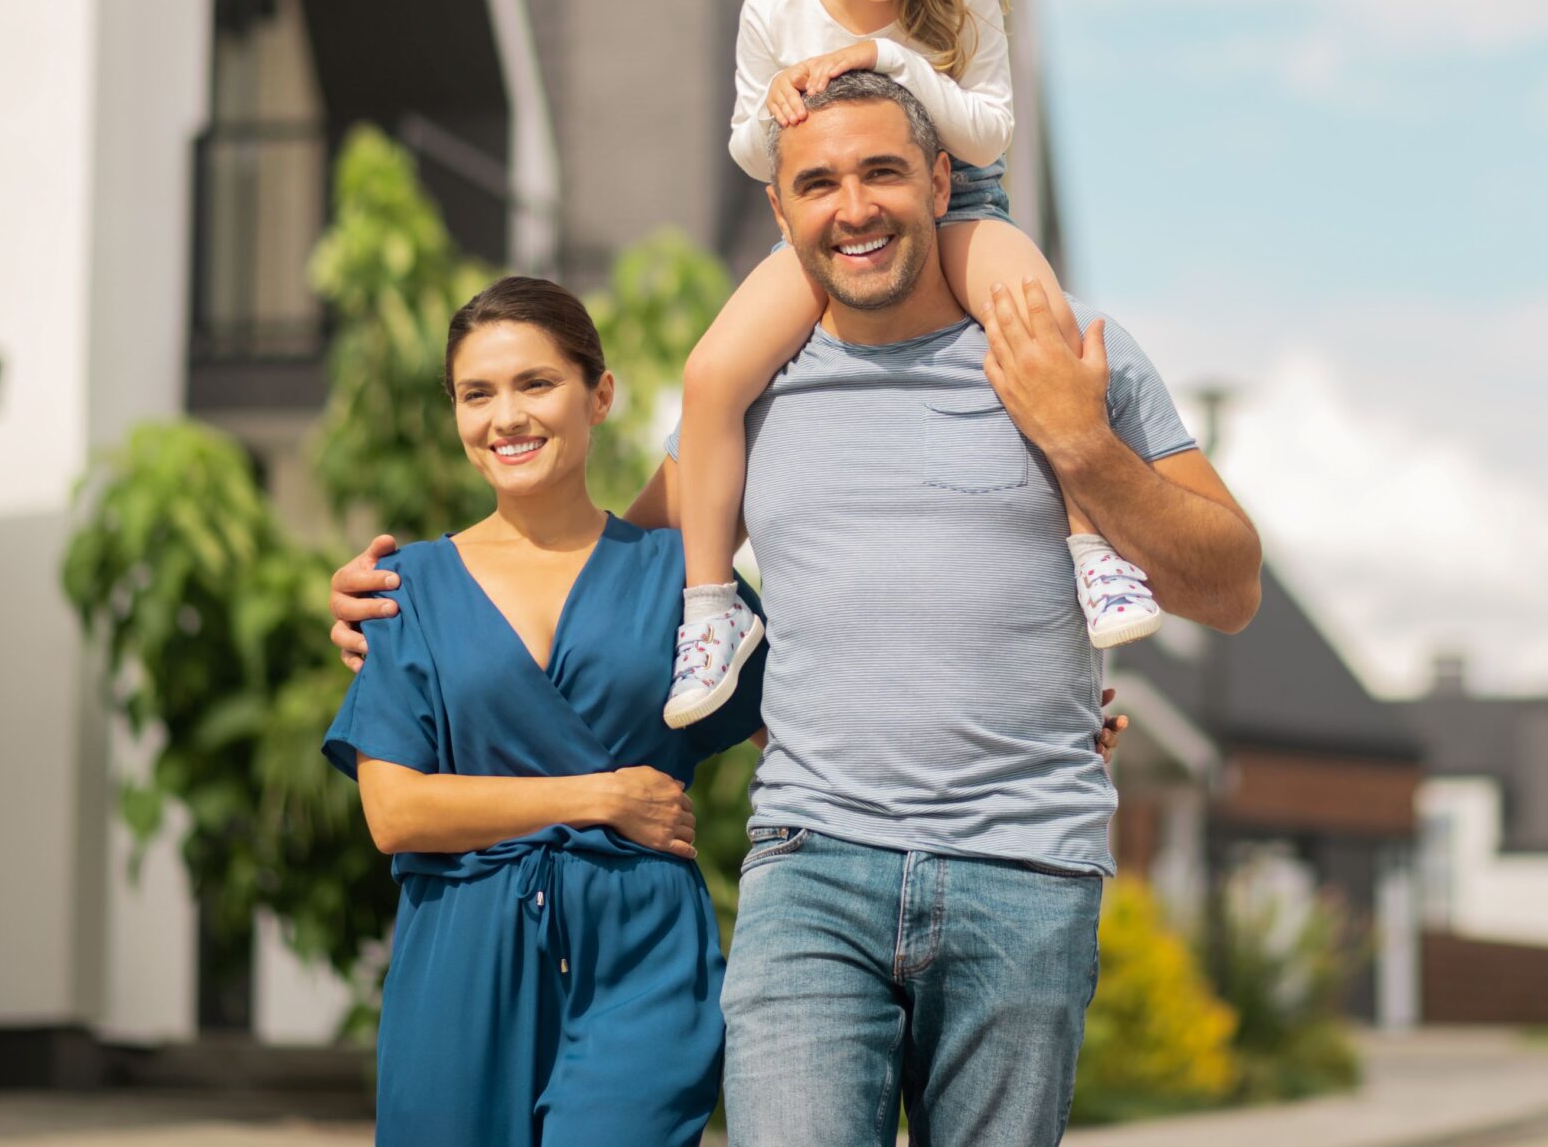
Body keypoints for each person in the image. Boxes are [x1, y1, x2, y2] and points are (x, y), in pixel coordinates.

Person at [331, 73, 1260, 1144]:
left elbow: (1227, 586)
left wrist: (1080, 441)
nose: (852, 206)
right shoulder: (751, 390)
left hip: (1023, 865)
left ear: (942, 179)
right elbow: (602, 583)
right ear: (780, 211)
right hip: (811, 863)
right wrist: (399, 602)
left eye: (881, 171)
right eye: (817, 181)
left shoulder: (1069, 347)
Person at [659, 0, 1162, 733]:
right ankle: (710, 608)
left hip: (961, 195)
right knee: (713, 372)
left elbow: (986, 132)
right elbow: (747, 150)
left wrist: (889, 57)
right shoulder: (775, 3)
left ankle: (1093, 549)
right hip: (824, 222)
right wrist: (774, 110)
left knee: (1039, 320)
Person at [320, 276, 767, 1146]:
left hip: (642, 955)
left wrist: (1038, 711)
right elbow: (395, 810)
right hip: (459, 957)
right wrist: (597, 797)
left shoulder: (681, 571)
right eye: (476, 394)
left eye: (536, 384)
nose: (506, 417)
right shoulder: (405, 587)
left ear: (599, 395)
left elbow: (815, 713)